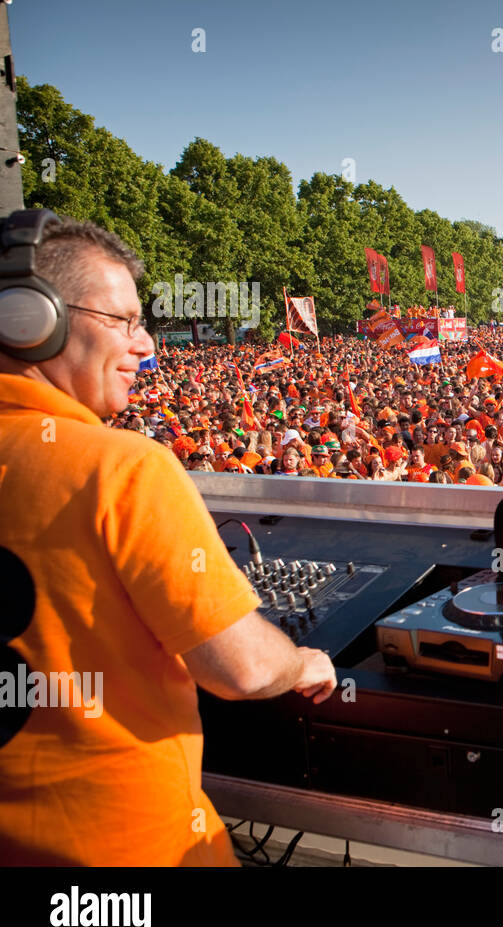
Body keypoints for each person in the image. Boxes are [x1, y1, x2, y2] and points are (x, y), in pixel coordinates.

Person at [0, 213, 336, 865]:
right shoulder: (121, 468)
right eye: (123, 320)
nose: (146, 344)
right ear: (31, 320)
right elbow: (243, 670)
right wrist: (302, 662)